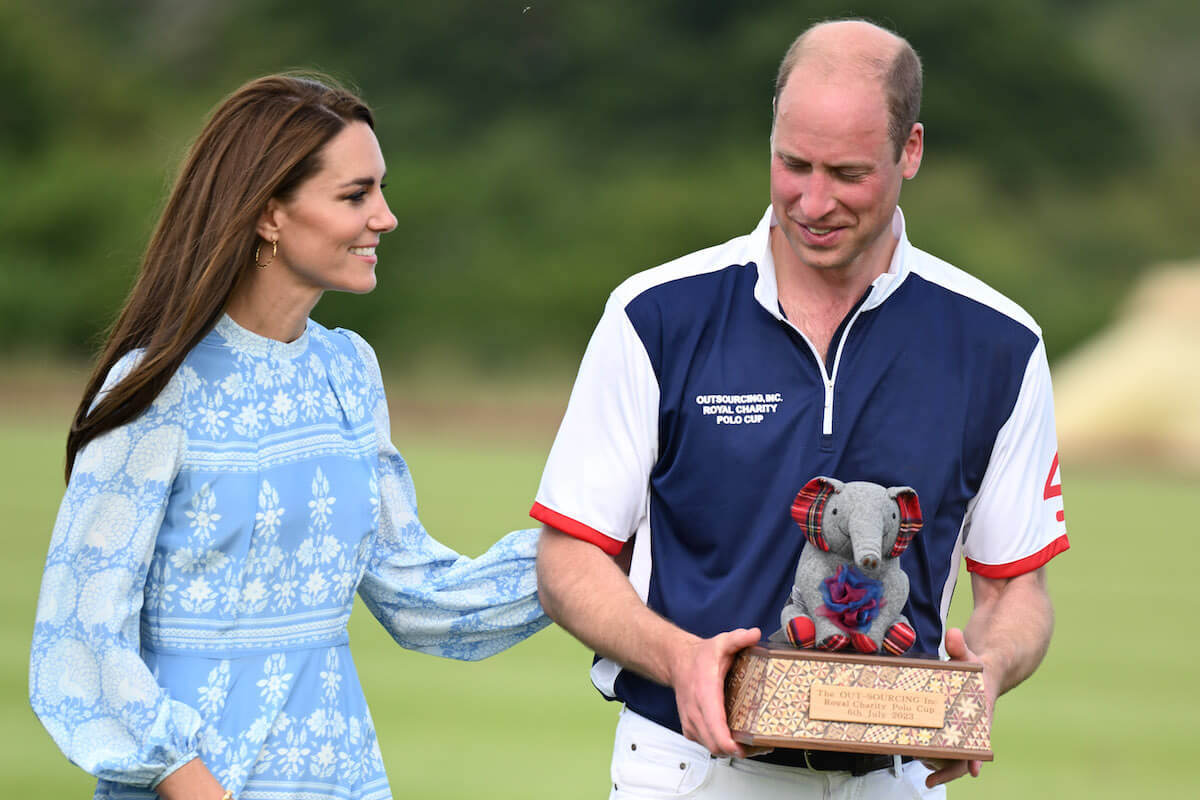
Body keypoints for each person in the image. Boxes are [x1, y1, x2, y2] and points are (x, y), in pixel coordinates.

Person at [531, 19, 1069, 799]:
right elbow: (567, 560)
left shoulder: (1000, 342)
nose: (812, 202)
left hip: (896, 777)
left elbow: (1016, 590)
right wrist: (677, 656)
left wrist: (987, 675)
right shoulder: (654, 314)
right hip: (689, 769)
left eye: (847, 173)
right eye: (793, 165)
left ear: (910, 150)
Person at [29, 73, 547, 800]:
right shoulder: (155, 387)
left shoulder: (349, 371)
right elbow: (78, 636)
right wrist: (190, 782)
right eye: (355, 195)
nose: (386, 217)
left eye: (381, 190)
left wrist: (594, 547)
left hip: (338, 778)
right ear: (270, 214)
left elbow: (418, 594)